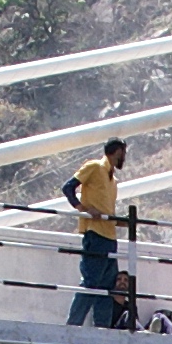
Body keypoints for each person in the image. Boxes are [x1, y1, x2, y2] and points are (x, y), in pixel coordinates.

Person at [65, 139, 128, 327]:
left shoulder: (113, 181)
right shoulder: (94, 166)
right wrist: (83, 208)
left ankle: (103, 328)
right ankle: (73, 326)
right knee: (91, 281)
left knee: (107, 286)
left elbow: (107, 210)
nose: (124, 157)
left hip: (110, 237)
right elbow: (68, 187)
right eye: (123, 153)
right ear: (117, 151)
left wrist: (121, 222)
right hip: (95, 234)